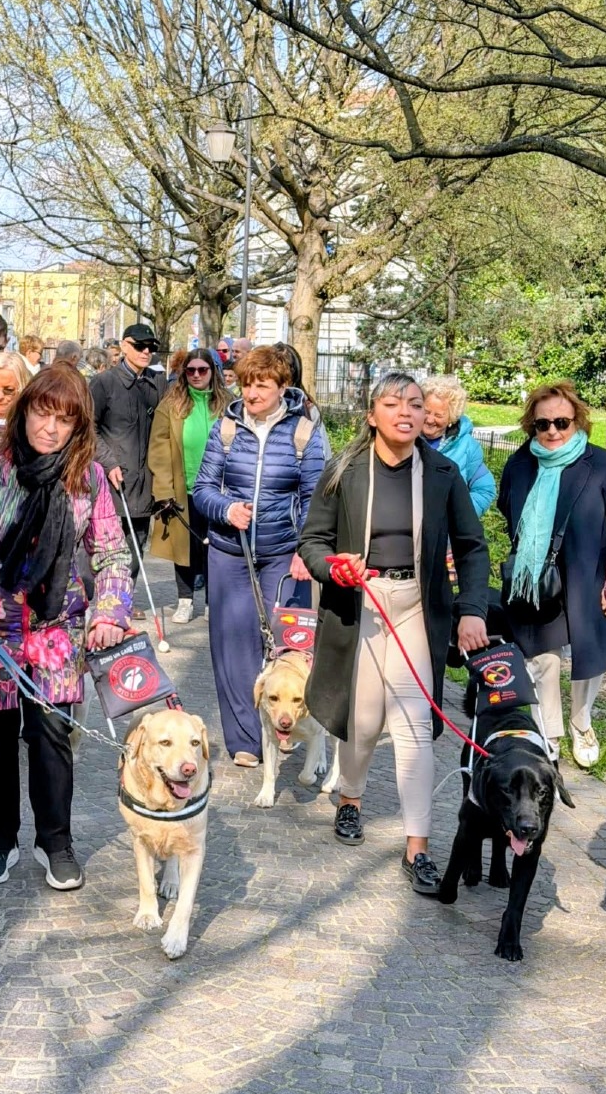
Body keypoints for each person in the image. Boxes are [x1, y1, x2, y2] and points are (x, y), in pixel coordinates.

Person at [0, 365, 132, 890]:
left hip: (55, 625)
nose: (49, 428)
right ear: (25, 408)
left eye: (64, 420)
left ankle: (56, 842)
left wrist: (110, 611)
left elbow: (113, 552)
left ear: (79, 427)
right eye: (43, 413)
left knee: (52, 737)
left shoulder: (87, 475)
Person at [299, 372, 490, 895]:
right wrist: (332, 567)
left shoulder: (443, 472)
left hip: (415, 609)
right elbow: (312, 540)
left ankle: (418, 847)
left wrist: (472, 610)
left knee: (412, 723)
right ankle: (350, 800)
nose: (406, 412)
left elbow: (472, 547)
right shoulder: (344, 470)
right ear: (372, 415)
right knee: (360, 719)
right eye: (392, 403)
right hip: (359, 603)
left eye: (414, 403)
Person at [193, 346, 327, 766]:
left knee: (285, 644)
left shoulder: (305, 431)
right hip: (230, 552)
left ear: (282, 387)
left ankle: (286, 723)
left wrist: (306, 549)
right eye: (245, 384)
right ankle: (245, 742)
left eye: (261, 386)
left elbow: (317, 497)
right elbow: (202, 489)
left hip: (285, 555)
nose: (250, 393)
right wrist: (226, 509)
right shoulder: (227, 427)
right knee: (233, 646)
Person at [498, 380, 606, 768]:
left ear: (577, 421)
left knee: (588, 657)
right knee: (541, 659)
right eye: (542, 424)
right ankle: (550, 735)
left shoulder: (602, 465)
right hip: (536, 581)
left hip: (587, 577)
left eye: (561, 423)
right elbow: (506, 508)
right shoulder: (519, 464)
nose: (551, 432)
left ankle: (581, 721)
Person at [148, 348, 233, 623]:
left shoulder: (230, 404)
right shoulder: (170, 404)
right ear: (183, 373)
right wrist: (164, 490)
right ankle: (184, 600)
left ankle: (212, 601)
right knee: (183, 547)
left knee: (216, 547)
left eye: (202, 370)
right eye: (190, 370)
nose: (196, 375)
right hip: (182, 487)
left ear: (213, 372)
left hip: (219, 491)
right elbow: (158, 449)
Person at [90, 322, 168, 617]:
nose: (146, 351)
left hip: (144, 480)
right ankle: (103, 597)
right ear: (124, 346)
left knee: (137, 540)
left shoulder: (156, 384)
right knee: (109, 542)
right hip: (112, 479)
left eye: (151, 347)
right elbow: (89, 428)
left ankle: (124, 598)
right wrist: (108, 462)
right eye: (140, 346)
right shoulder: (104, 383)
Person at [421, 374, 496, 516]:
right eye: (426, 412)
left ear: (451, 417)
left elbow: (485, 489)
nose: (430, 420)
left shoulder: (466, 446)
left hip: (446, 535)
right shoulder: (406, 439)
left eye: (438, 415)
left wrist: (461, 517)